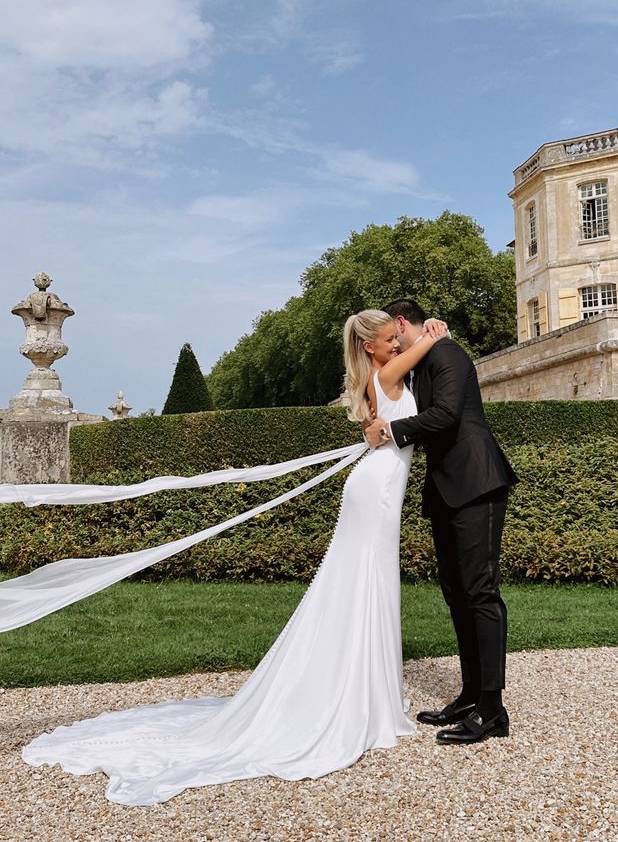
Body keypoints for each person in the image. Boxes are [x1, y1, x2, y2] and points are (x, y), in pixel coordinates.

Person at [21, 310, 446, 806]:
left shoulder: (379, 375)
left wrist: (381, 423)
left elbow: (387, 424)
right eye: (391, 339)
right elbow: (427, 349)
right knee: (362, 581)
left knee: (365, 582)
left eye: (400, 338)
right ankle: (359, 694)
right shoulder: (387, 371)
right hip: (376, 491)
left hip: (378, 484)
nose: (399, 343)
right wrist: (437, 333)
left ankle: (368, 690)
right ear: (371, 347)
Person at [366, 299, 518, 745]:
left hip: (476, 482)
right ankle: (470, 695)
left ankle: (492, 709)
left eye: (395, 336)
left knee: (480, 592)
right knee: (456, 593)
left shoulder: (447, 353)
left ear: (399, 323)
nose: (394, 345)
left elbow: (448, 414)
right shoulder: (417, 361)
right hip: (445, 489)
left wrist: (391, 432)